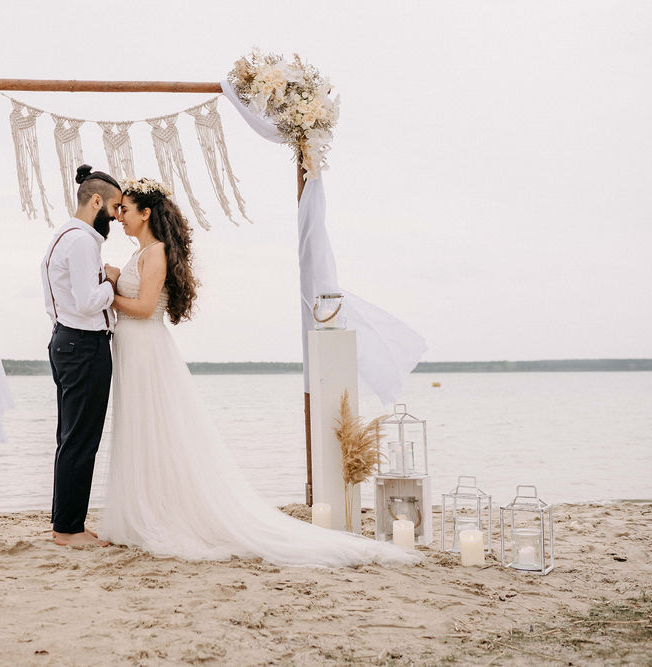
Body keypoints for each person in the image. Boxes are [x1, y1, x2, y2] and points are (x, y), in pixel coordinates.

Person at [100, 178, 421, 567]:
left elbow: (146, 307)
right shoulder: (142, 253)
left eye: (126, 210)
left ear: (146, 212)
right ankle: (144, 509)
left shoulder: (155, 254)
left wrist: (108, 291)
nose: (119, 217)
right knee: (139, 429)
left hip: (146, 349)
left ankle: (158, 514)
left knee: (152, 428)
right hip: (133, 348)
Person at [40, 164, 122, 547]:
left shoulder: (65, 235)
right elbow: (90, 302)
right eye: (115, 207)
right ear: (96, 201)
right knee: (80, 439)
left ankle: (67, 523)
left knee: (70, 437)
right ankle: (68, 530)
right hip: (83, 346)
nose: (117, 217)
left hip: (66, 342)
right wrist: (112, 282)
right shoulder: (83, 241)